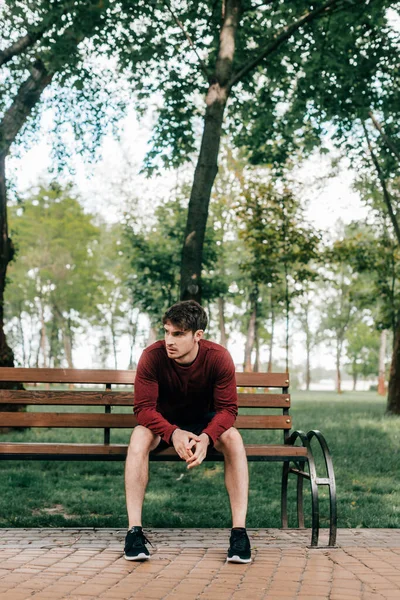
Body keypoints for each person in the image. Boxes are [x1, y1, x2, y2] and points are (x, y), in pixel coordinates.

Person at [124, 300, 251, 563]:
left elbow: (228, 410)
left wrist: (208, 436)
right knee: (138, 435)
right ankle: (134, 533)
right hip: (163, 425)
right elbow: (144, 410)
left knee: (234, 438)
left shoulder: (218, 358)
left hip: (204, 424)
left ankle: (239, 534)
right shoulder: (152, 356)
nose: (169, 340)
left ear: (198, 336)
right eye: (167, 332)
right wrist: (173, 433)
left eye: (178, 334)